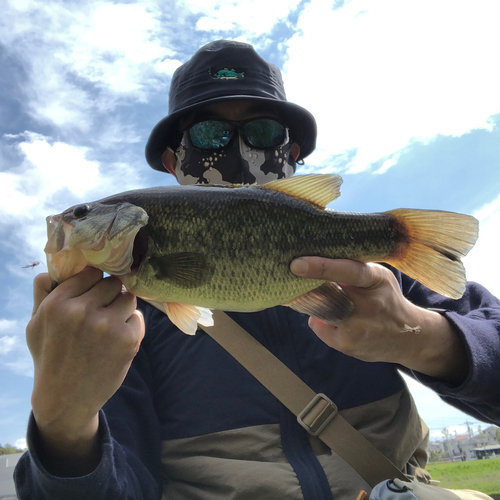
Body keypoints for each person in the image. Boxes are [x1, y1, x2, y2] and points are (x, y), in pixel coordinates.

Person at [14, 40, 500, 500]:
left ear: (292, 153)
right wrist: (64, 426)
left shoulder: (370, 277)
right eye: (209, 134)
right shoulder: (117, 321)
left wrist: (426, 338)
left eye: (264, 132)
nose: (239, 151)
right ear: (171, 160)